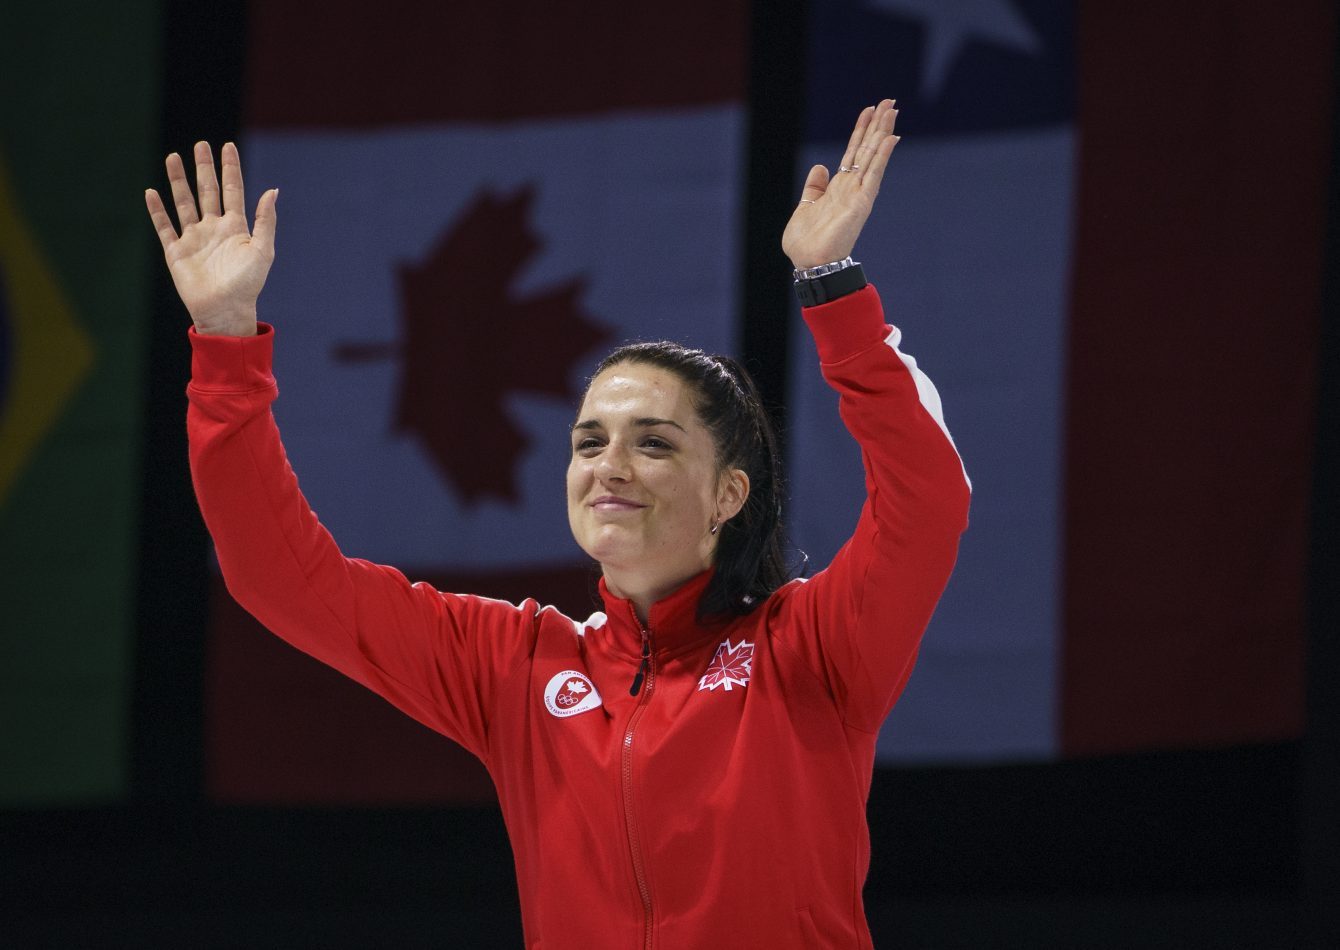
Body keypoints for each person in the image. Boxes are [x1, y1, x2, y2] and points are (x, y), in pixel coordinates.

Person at [145, 98, 970, 949]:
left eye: (652, 443)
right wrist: (224, 338)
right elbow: (279, 576)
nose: (608, 465)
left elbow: (928, 499)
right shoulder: (514, 666)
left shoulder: (814, 648)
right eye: (589, 442)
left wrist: (832, 291)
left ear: (729, 494)